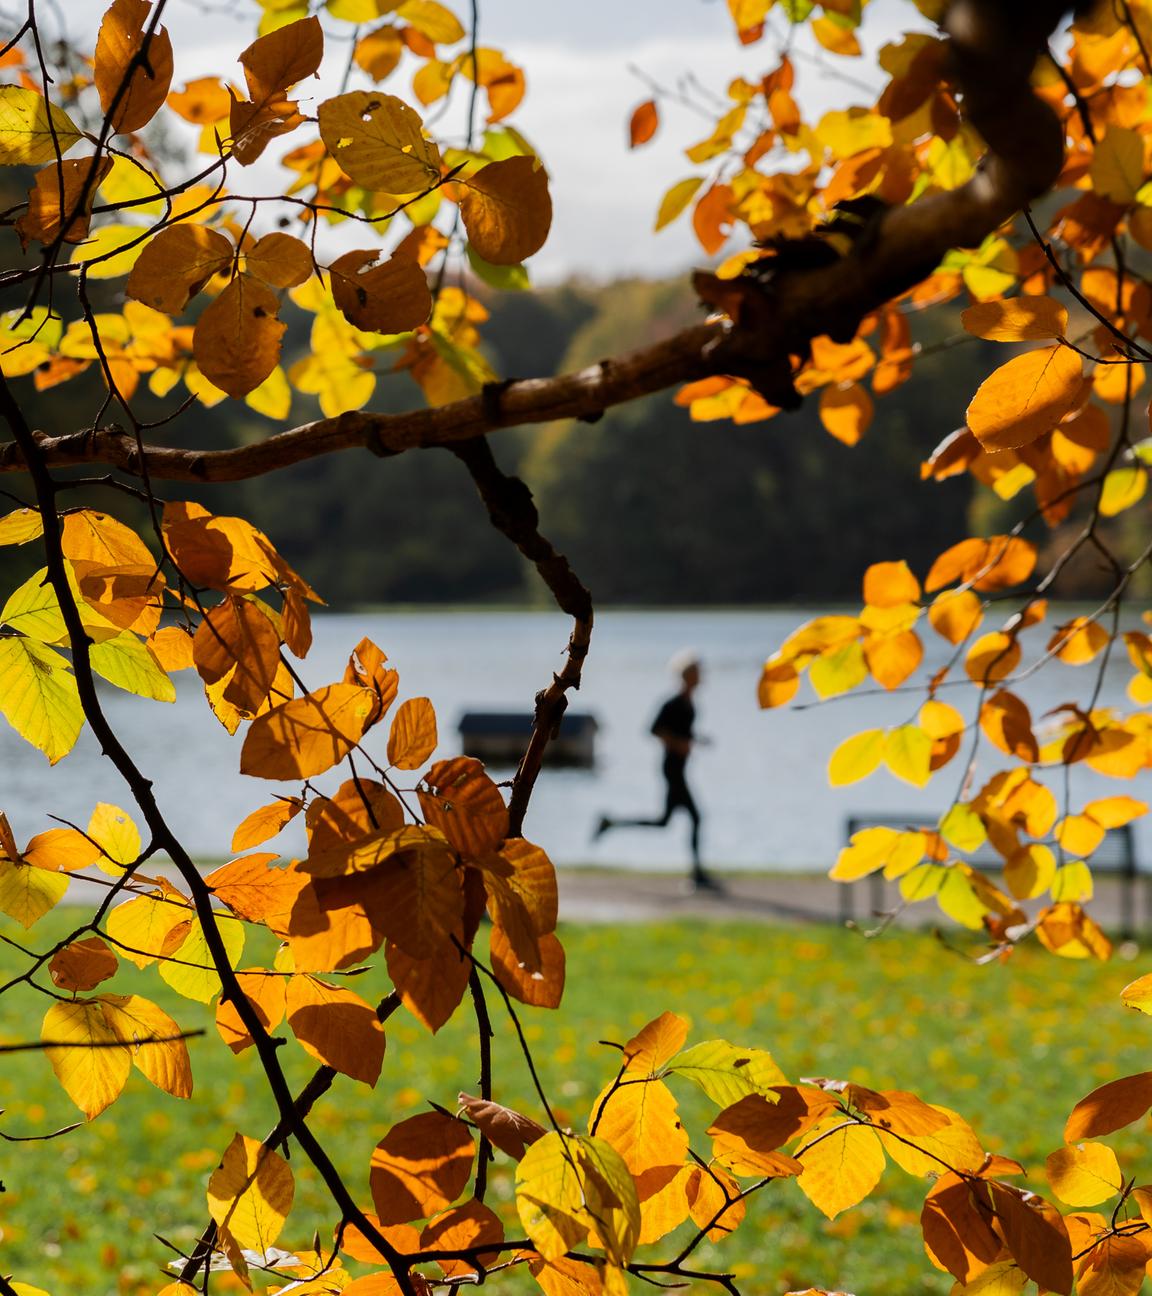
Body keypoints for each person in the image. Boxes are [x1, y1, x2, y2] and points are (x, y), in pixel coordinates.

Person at [593, 651, 723, 893]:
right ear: (686, 676)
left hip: (678, 769)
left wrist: (696, 740)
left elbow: (681, 732)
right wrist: (678, 744)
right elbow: (653, 729)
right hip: (672, 768)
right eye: (696, 673)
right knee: (695, 817)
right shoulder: (673, 703)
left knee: (664, 822)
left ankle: (610, 823)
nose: (700, 677)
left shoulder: (689, 703)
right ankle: (697, 876)